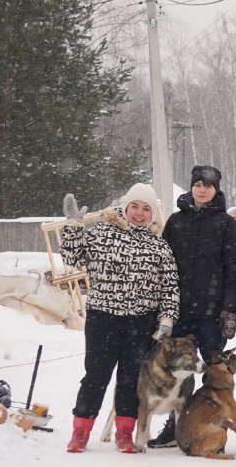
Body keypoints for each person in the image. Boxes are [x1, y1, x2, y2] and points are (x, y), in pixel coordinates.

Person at [60, 183, 179, 453]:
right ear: (125, 207)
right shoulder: (102, 232)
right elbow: (71, 256)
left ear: (152, 214)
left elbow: (170, 287)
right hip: (104, 319)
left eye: (146, 208)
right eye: (135, 206)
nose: (139, 213)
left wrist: (166, 320)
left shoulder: (159, 246)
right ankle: (80, 432)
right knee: (96, 376)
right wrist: (74, 227)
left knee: (130, 380)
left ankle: (124, 433)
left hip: (141, 323)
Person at [146, 165, 236, 448]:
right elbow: (163, 266)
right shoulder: (176, 222)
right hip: (180, 310)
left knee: (215, 374)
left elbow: (233, 270)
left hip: (210, 314)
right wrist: (162, 306)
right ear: (191, 187)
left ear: (216, 190)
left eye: (208, 185)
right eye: (198, 184)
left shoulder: (226, 224)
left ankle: (215, 425)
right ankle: (176, 427)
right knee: (178, 372)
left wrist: (228, 309)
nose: (202, 189)